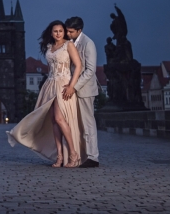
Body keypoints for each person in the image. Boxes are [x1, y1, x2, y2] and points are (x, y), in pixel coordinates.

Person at [6, 20, 84, 168]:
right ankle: (59, 156)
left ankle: (73, 154)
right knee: (53, 120)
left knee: (60, 119)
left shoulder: (69, 45)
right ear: (51, 32)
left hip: (63, 84)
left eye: (61, 31)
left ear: (64, 32)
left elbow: (78, 66)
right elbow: (50, 69)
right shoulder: (50, 47)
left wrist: (71, 86)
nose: (58, 34)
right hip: (50, 84)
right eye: (55, 31)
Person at [65, 16, 100, 168]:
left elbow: (90, 70)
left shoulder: (88, 43)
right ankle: (82, 155)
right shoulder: (71, 42)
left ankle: (93, 157)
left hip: (84, 89)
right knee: (77, 124)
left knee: (88, 124)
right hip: (74, 87)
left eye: (71, 31)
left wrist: (74, 86)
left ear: (79, 30)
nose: (68, 34)